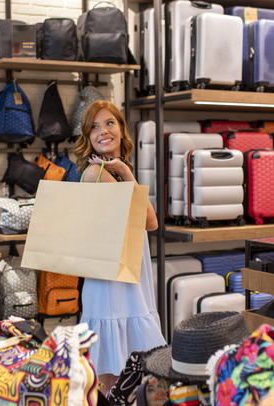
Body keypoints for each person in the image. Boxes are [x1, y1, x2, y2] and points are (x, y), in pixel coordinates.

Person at [73, 100, 166, 393]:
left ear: (121, 128)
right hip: (111, 281)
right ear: (88, 137)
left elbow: (151, 222)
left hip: (129, 276)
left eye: (109, 123)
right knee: (113, 372)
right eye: (94, 127)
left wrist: (126, 172)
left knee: (130, 365)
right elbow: (147, 222)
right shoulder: (94, 174)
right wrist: (125, 174)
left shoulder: (117, 171)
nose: (103, 131)